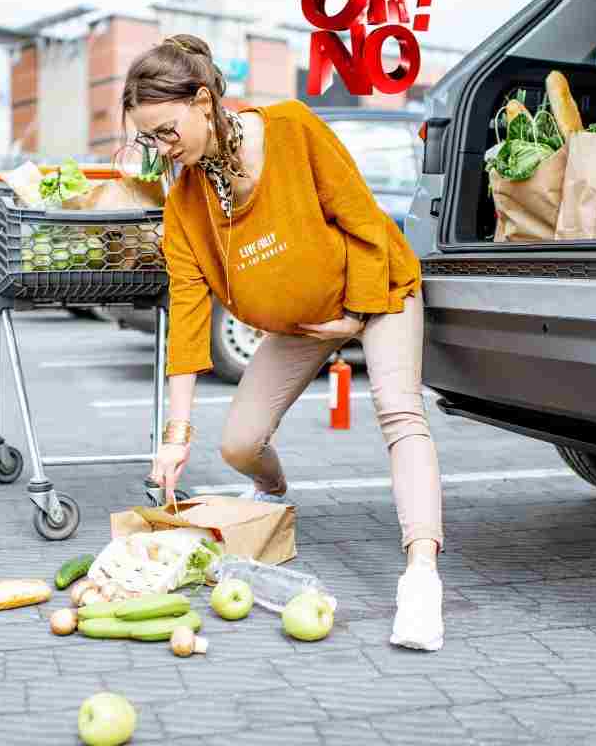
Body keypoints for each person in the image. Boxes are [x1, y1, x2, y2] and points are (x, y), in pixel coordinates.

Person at [122, 34, 444, 651]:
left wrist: (355, 316)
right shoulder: (185, 200)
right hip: (301, 326)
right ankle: (271, 494)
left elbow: (365, 222)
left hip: (376, 294)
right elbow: (189, 316)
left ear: (202, 100)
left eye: (167, 131)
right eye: (150, 139)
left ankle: (422, 577)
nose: (163, 150)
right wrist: (174, 438)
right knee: (239, 444)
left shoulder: (292, 128)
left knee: (399, 412)